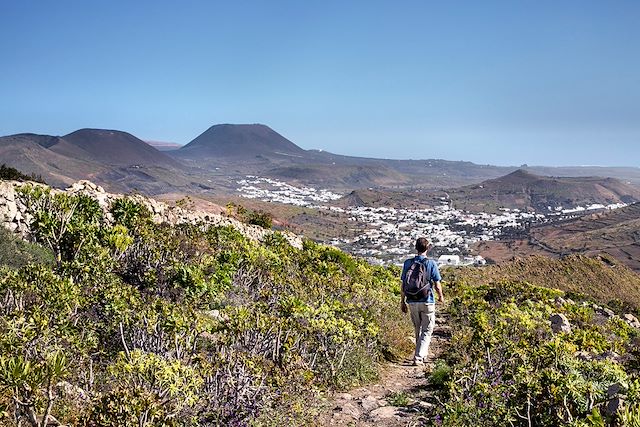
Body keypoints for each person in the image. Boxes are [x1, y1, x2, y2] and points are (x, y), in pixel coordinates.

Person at [400, 237, 444, 366]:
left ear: (416, 247)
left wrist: (402, 301)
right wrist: (441, 296)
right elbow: (437, 283)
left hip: (412, 300)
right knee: (427, 329)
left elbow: (403, 285)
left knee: (417, 328)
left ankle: (421, 354)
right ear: (428, 248)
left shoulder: (408, 263)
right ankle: (419, 357)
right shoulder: (431, 263)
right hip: (427, 300)